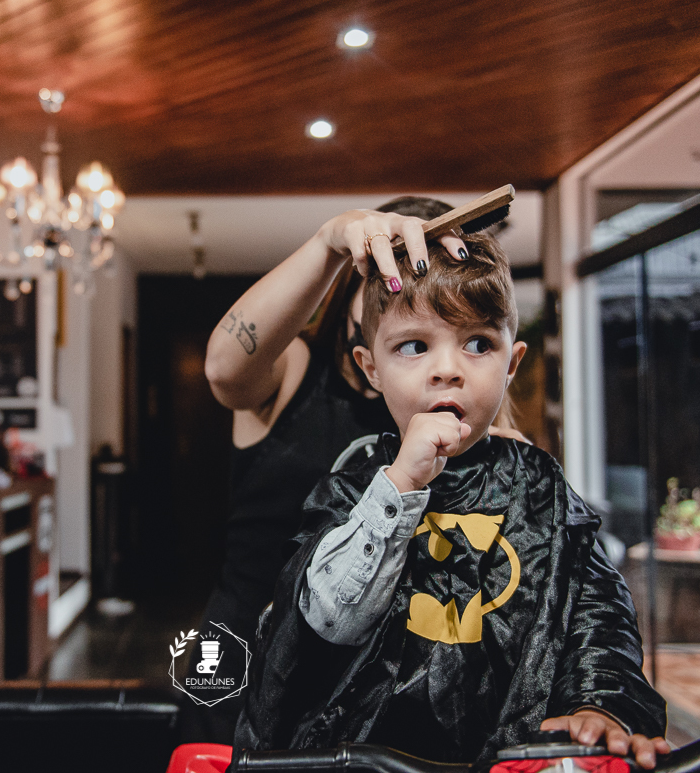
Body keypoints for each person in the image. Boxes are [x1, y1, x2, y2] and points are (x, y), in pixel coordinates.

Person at [234, 232, 669, 766]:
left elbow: (595, 613)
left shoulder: (540, 487)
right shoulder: (347, 491)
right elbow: (325, 622)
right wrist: (401, 484)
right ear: (372, 368)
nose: (447, 369)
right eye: (414, 347)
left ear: (512, 363)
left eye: (478, 344)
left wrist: (601, 703)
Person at [187, 197, 512, 744]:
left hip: (355, 687)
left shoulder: (458, 416)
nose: (441, 364)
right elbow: (222, 368)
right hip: (238, 652)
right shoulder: (293, 373)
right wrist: (329, 242)